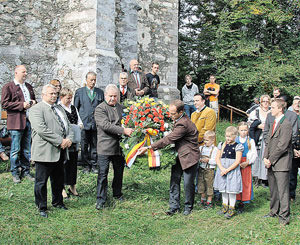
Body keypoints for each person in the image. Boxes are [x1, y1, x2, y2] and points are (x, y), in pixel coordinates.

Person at [138, 99, 200, 216]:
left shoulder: (183, 123)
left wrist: (149, 147)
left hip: (189, 157)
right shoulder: (179, 119)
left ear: (181, 111)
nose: (170, 116)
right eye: (169, 113)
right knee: (174, 180)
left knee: (187, 183)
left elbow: (169, 139)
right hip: (178, 155)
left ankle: (188, 207)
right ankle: (174, 206)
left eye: (173, 114)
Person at [29, 84, 74, 218]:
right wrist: (60, 140)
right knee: (41, 181)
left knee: (58, 179)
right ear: (43, 95)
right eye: (51, 94)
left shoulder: (59, 108)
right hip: (45, 151)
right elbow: (42, 130)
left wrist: (69, 139)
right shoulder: (36, 109)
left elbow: (68, 125)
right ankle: (42, 206)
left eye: (55, 93)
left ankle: (58, 202)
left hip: (60, 151)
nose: (54, 96)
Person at [94, 84, 134, 210]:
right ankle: (101, 199)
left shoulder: (121, 107)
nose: (112, 98)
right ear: (105, 95)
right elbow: (106, 126)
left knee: (119, 173)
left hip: (119, 147)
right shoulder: (100, 109)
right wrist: (124, 130)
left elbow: (128, 120)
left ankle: (117, 193)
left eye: (115, 96)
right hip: (105, 147)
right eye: (110, 96)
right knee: (103, 174)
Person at [1, 65, 36, 183]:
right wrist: (22, 105)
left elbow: (33, 99)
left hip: (28, 121)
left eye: (26, 72)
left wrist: (33, 102)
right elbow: (5, 104)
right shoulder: (8, 87)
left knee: (26, 149)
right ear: (16, 73)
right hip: (16, 121)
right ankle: (15, 172)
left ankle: (26, 171)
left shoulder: (28, 87)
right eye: (23, 72)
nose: (25, 74)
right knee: (15, 149)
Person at [263, 98, 292, 225]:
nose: (271, 109)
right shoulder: (273, 121)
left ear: (280, 109)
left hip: (281, 163)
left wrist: (271, 159)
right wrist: (265, 157)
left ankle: (284, 217)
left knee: (283, 191)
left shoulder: (286, 124)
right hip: (271, 162)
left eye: (273, 107)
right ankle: (273, 211)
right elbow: (268, 142)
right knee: (273, 189)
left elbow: (282, 146)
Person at [74, 71, 104, 173]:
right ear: (86, 80)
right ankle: (86, 165)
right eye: (91, 80)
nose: (93, 82)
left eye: (94, 80)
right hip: (84, 123)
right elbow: (75, 109)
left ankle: (94, 165)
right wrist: (78, 123)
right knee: (84, 145)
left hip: (95, 124)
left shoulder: (100, 92)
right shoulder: (79, 92)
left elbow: (102, 108)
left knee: (95, 145)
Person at [213, 126, 243, 219]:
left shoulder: (238, 146)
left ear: (235, 136)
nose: (228, 138)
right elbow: (217, 158)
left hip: (231, 171)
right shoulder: (222, 144)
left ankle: (231, 208)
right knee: (223, 190)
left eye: (230, 136)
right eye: (227, 136)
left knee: (231, 190)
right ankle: (224, 206)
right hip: (222, 170)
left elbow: (237, 161)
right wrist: (221, 168)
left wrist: (227, 170)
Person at [59, 87, 83, 198]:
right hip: (64, 140)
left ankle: (72, 185)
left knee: (73, 163)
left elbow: (78, 120)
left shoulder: (73, 108)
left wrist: (80, 125)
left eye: (71, 98)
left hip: (74, 140)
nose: (69, 100)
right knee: (64, 163)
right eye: (67, 98)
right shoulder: (58, 108)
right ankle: (62, 187)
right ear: (62, 97)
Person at [248, 94, 270, 187]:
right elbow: (249, 123)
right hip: (258, 136)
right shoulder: (256, 111)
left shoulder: (272, 111)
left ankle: (264, 179)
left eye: (267, 101)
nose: (265, 103)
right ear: (260, 102)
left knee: (265, 156)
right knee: (256, 156)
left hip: (268, 137)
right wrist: (258, 126)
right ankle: (255, 178)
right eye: (263, 101)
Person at [235, 122, 257, 213]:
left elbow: (254, 154)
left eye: (245, 130)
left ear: (247, 130)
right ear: (238, 130)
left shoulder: (250, 141)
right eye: (241, 130)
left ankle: (242, 202)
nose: (243, 132)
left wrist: (248, 162)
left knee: (245, 182)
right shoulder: (236, 140)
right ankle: (235, 200)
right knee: (236, 182)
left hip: (246, 165)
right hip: (237, 164)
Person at [197, 130, 218, 209]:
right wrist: (200, 160)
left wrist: (208, 160)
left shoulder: (215, 149)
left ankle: (209, 201)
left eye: (207, 140)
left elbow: (216, 161)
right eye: (204, 139)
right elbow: (198, 157)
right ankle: (203, 199)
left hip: (209, 170)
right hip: (201, 168)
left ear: (212, 140)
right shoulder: (201, 148)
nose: (205, 142)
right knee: (201, 184)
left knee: (209, 185)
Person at [289, 99, 300, 201]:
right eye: (295, 104)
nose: (297, 105)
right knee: (292, 173)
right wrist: (293, 149)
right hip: (293, 147)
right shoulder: (289, 118)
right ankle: (291, 194)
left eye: (299, 103)